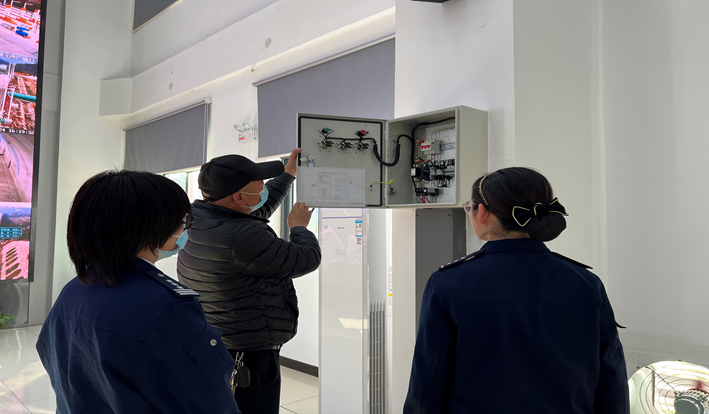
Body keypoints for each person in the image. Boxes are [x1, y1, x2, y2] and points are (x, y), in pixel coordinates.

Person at [404, 167, 629, 414]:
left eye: (470, 207)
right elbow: (612, 377)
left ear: (482, 212)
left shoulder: (448, 283)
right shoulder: (586, 283)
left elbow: (428, 379)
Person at [36, 171, 240, 414]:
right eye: (182, 220)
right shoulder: (164, 306)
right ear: (152, 226)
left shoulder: (74, 290)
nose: (184, 228)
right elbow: (208, 401)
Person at [177, 149, 321, 414]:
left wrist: (288, 174)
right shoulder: (241, 235)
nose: (264, 189)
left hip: (221, 335)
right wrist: (299, 227)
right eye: (259, 186)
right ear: (239, 197)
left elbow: (257, 209)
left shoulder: (200, 216)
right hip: (249, 349)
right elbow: (306, 258)